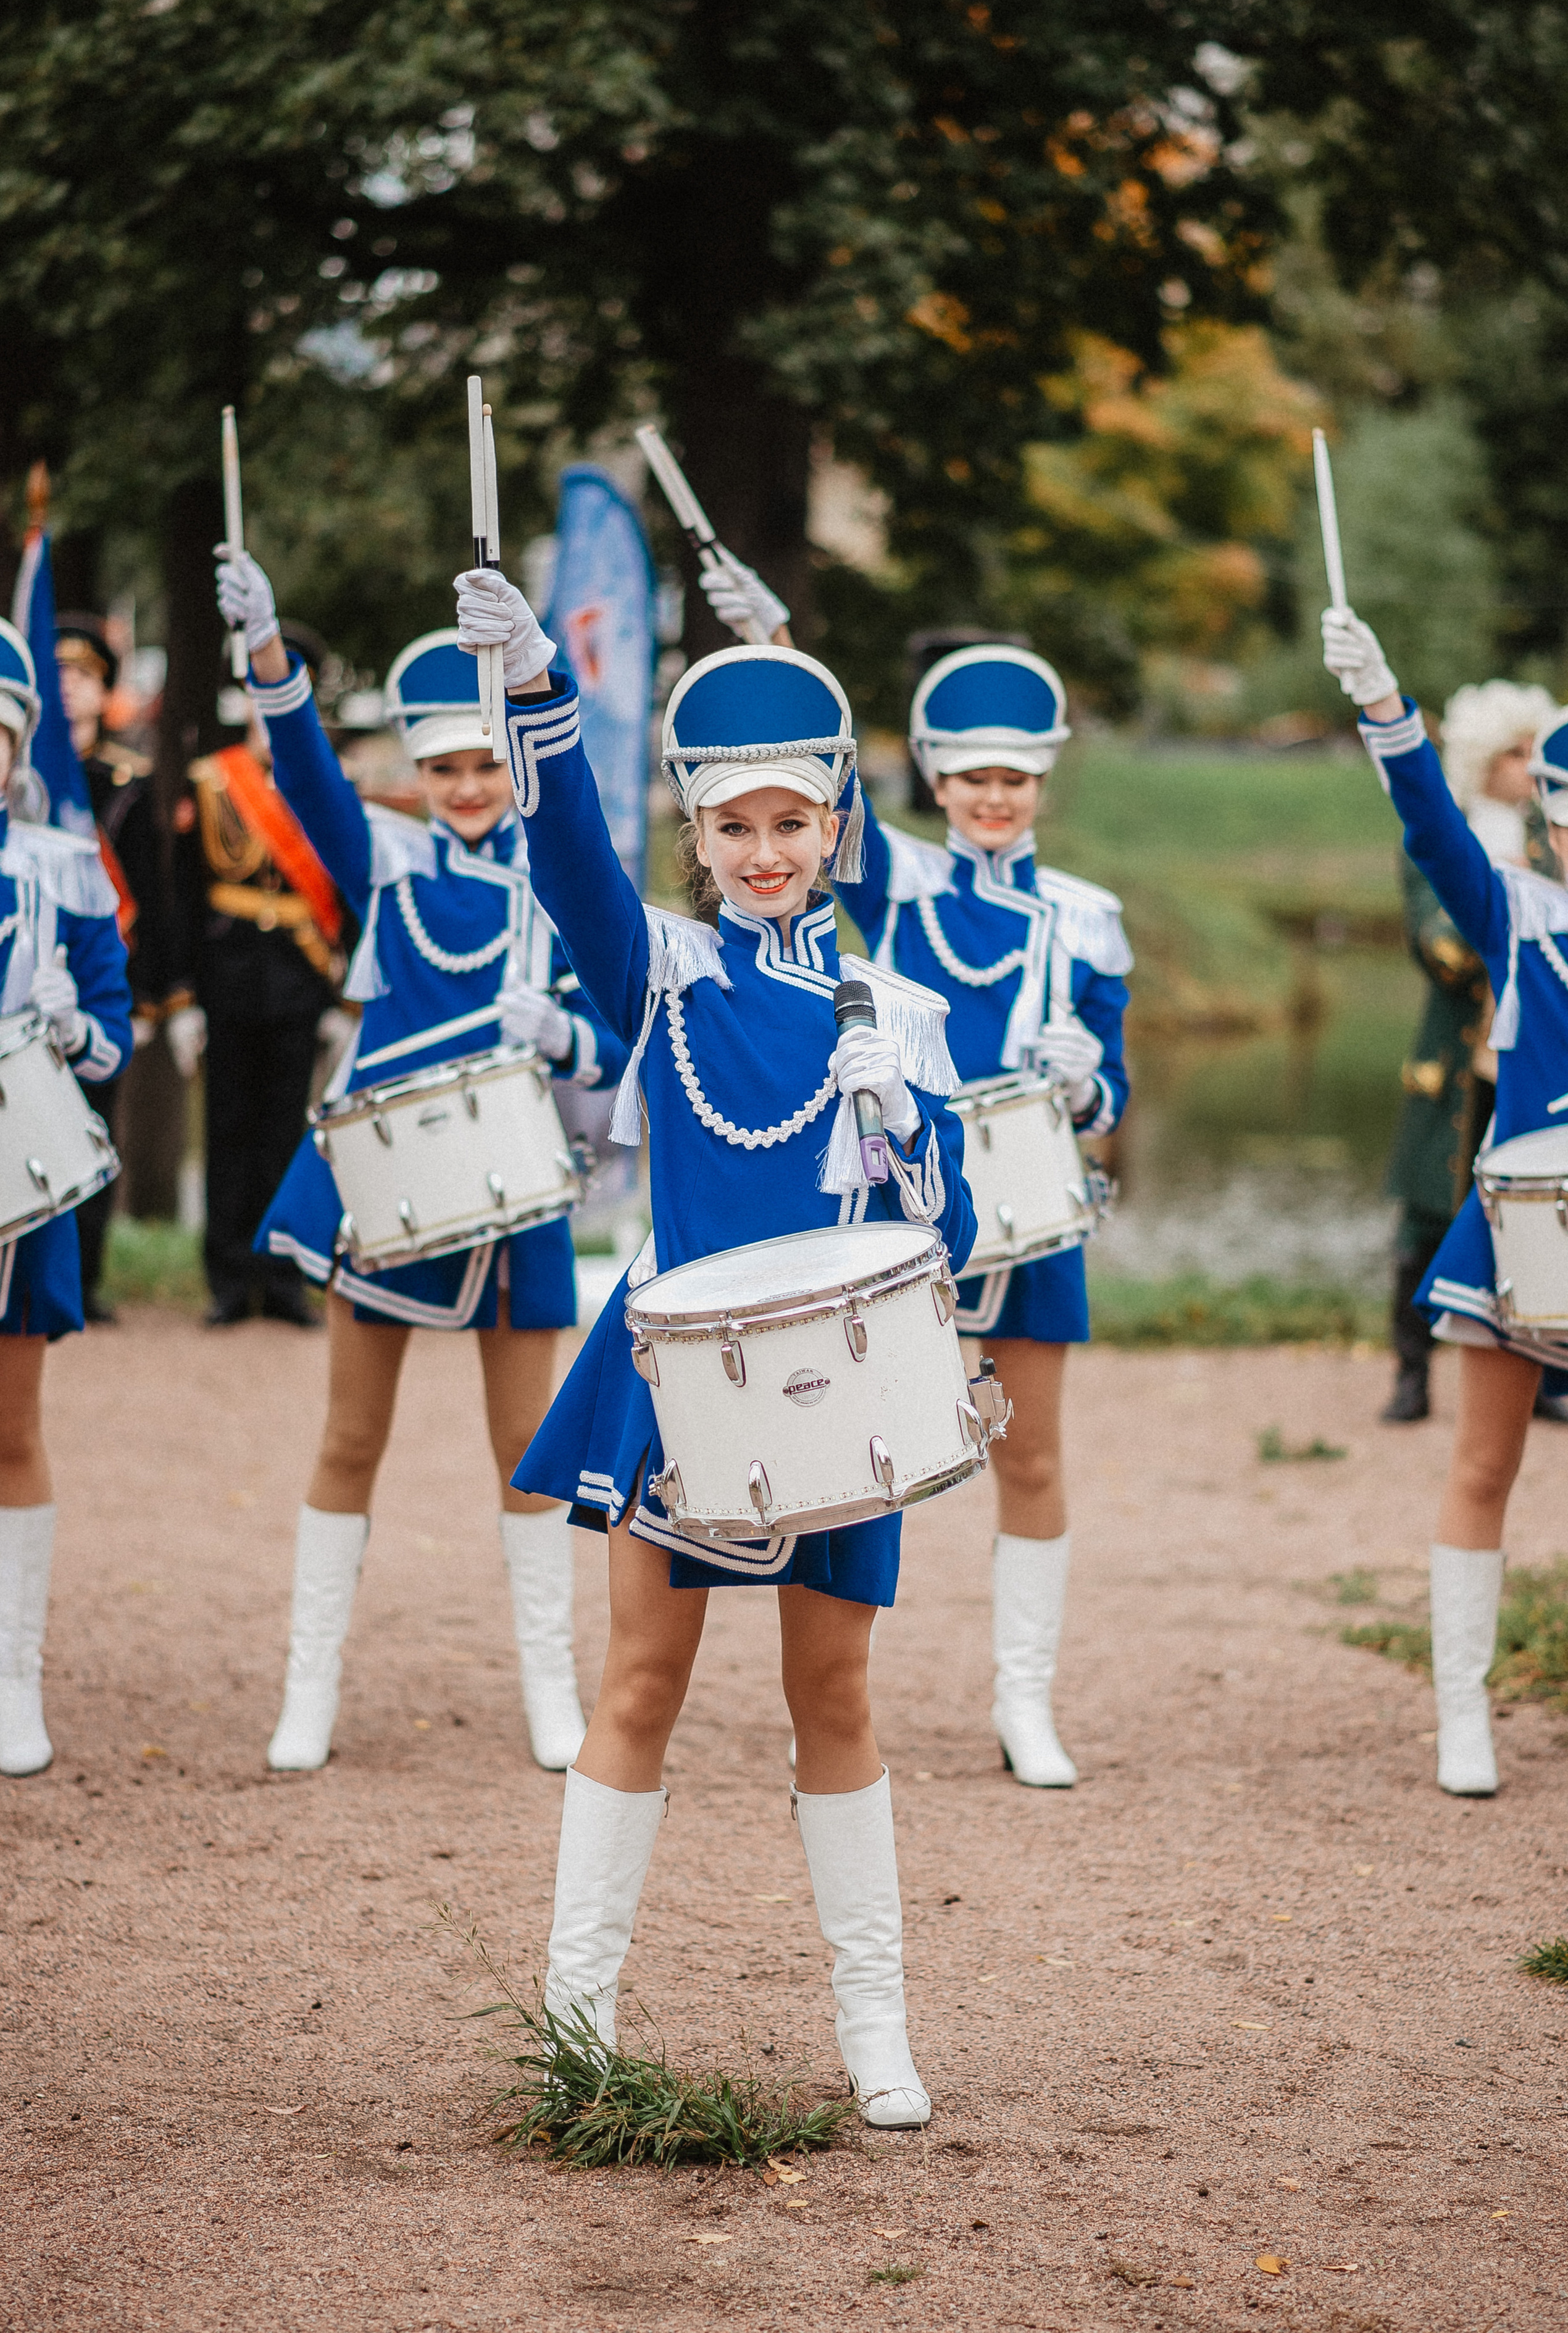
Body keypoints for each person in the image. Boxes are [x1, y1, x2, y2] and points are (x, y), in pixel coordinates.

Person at [456, 563, 976, 2126]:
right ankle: (576, 2010)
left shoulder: (889, 999)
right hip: (676, 1368)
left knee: (836, 1692)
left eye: (790, 823)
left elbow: (945, 1233)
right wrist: (540, 686)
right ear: (696, 834)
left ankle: (873, 2023)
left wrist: (907, 1107)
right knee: (641, 1681)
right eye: (732, 826)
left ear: (834, 829)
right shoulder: (658, 972)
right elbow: (562, 861)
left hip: (840, 1377)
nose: (762, 852)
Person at [702, 563, 1131, 1791]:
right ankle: (835, 1703)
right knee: (852, 1452)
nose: (990, 798)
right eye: (968, 778)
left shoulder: (1089, 919)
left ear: (1038, 781)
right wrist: (774, 641)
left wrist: (1089, 1078)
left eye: (1011, 779)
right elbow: (825, 786)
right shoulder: (896, 880)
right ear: (935, 780)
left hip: (1034, 1218)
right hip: (903, 1212)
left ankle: (1022, 1703)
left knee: (1031, 1457)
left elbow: (1117, 1094)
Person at [215, 551, 626, 1776]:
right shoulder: (384, 865)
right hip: (386, 1180)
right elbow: (306, 782)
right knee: (350, 1437)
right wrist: (270, 659)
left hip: (513, 1189)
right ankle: (309, 1695)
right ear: (417, 772)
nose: (464, 786)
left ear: (514, 765)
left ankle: (552, 1694)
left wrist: (563, 1034)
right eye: (442, 766)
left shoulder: (561, 887)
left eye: (485, 763)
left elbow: (618, 1039)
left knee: (527, 1446)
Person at [1322, 609, 1568, 1797]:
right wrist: (1389, 713)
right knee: (1484, 1464)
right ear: (1549, 824)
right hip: (1525, 1230)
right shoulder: (1518, 917)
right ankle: (1462, 1712)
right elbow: (1431, 828)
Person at [0, 619, 133, 1776]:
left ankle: (12, 1679)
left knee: (10, 1427)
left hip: (19, 1176)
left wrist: (69, 1018)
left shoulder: (64, 862)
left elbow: (113, 1039)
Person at [1380, 682, 1557, 1422]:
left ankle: (1543, 1374)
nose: (1528, 767)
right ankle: (1411, 1371)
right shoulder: (1440, 838)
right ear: (1482, 761)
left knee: (1541, 1216)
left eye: (1533, 752)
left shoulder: (1557, 842)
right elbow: (1440, 948)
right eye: (1514, 753)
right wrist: (1499, 908)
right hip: (1456, 1063)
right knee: (1429, 1221)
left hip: (1531, 1062)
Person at [172, 623, 345, 1327]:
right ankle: (226, 1276)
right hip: (229, 973)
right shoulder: (211, 781)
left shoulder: (329, 783)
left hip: (301, 978)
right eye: (257, 688)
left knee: (287, 1132)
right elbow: (185, 895)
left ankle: (281, 1279)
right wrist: (181, 996)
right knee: (228, 1131)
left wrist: (344, 996)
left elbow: (350, 889)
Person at [54, 612, 193, 1322]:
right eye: (59, 674)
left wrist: (150, 1001)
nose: (68, 688)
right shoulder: (25, 780)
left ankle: (82, 1278)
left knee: (95, 1137)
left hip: (100, 987)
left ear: (104, 689)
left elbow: (147, 891)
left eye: (82, 676)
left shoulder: (128, 783)